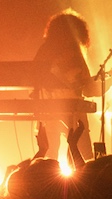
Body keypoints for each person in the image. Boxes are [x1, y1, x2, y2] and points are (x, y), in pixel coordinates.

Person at [33, 9, 99, 160]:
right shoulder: (75, 53)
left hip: (50, 107)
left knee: (50, 152)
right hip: (69, 107)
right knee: (82, 151)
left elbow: (33, 76)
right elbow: (87, 87)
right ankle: (81, 181)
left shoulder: (45, 50)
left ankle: (46, 180)